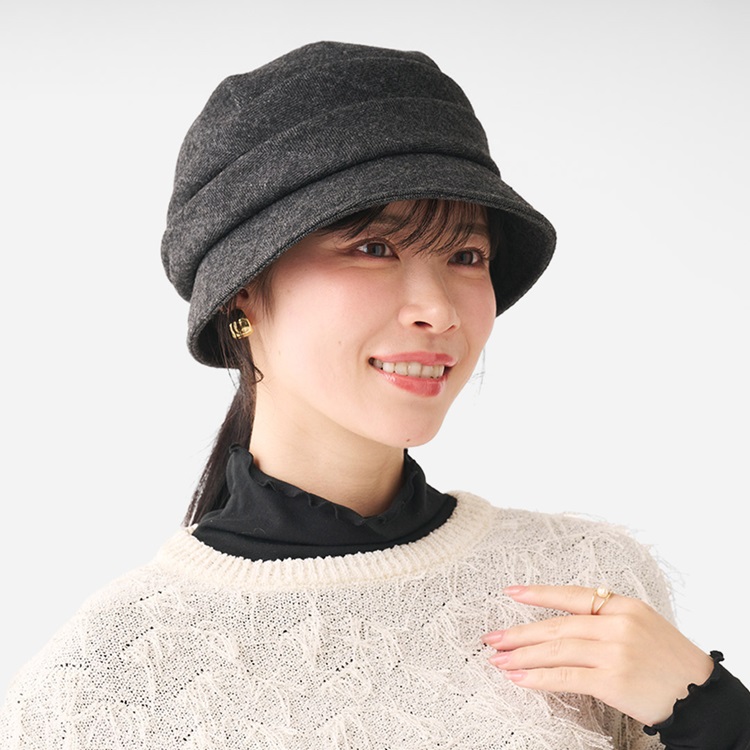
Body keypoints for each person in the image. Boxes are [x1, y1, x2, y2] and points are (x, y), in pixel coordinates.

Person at [1, 41, 748, 750]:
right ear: (242, 295)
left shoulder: (585, 581)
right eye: (373, 247)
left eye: (467, 254)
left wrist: (711, 711)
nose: (439, 309)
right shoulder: (99, 683)